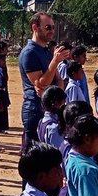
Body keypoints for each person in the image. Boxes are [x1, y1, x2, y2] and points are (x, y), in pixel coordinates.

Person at [18, 12, 70, 156]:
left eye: (53, 27)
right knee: (36, 158)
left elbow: (59, 80)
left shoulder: (45, 51)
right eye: (48, 27)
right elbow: (40, 83)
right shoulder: (29, 53)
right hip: (35, 108)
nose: (52, 31)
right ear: (35, 28)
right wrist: (55, 61)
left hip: (50, 108)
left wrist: (54, 95)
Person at [35, 86, 66, 151]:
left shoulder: (42, 121)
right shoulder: (54, 128)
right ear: (56, 104)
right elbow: (60, 151)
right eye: (63, 103)